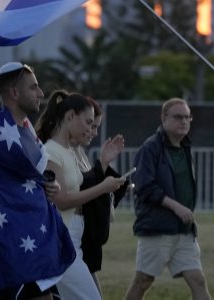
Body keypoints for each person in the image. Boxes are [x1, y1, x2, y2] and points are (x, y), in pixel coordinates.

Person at [0, 62, 76, 300]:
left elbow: (29, 180)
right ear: (14, 92)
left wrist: (50, 186)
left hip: (33, 241)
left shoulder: (27, 131)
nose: (41, 94)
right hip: (8, 241)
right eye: (34, 88)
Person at [36, 90, 127, 299]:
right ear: (69, 117)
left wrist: (104, 169)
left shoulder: (67, 150)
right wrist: (103, 187)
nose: (91, 129)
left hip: (72, 237)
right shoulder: (51, 151)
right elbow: (62, 201)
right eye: (88, 122)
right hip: (61, 240)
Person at [125, 98, 211, 300]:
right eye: (178, 117)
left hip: (183, 230)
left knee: (198, 280)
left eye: (187, 117)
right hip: (157, 228)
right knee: (143, 282)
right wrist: (175, 207)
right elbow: (144, 187)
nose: (184, 121)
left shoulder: (184, 147)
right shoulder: (150, 148)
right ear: (163, 119)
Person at [77, 98, 129, 295]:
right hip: (71, 243)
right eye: (91, 124)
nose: (94, 132)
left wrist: (104, 166)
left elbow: (90, 185)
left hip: (83, 244)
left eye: (96, 126)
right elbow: (79, 192)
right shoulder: (59, 151)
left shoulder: (79, 152)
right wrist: (102, 168)